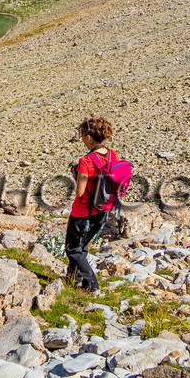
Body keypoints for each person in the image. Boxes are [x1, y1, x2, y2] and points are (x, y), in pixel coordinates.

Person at [65, 115, 116, 293]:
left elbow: (80, 191)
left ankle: (92, 284)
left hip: (82, 212)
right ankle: (74, 280)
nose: (82, 141)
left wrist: (75, 175)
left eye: (83, 137)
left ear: (88, 138)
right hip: (102, 210)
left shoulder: (85, 161)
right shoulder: (111, 155)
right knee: (82, 246)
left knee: (73, 249)